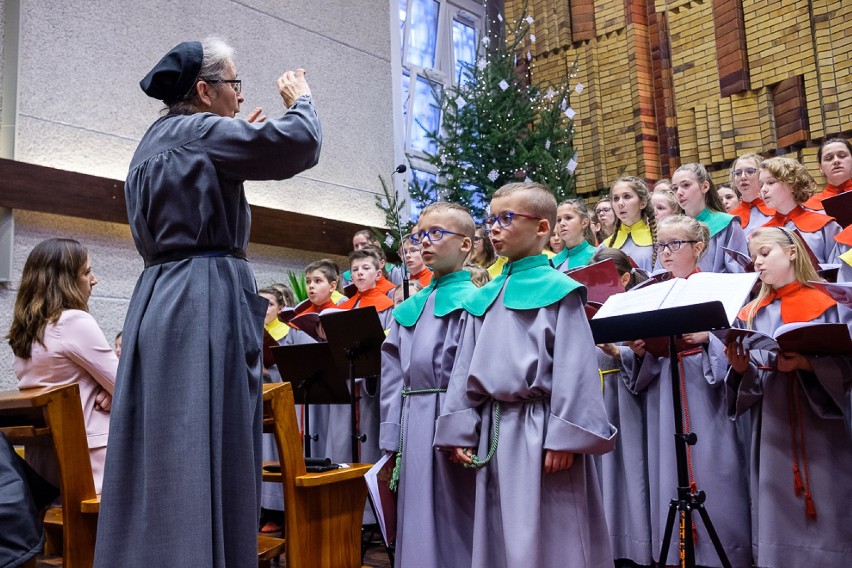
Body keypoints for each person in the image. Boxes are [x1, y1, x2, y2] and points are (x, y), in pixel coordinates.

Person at [94, 38, 321, 567]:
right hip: (205, 296)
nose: (241, 97)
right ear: (203, 89)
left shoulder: (151, 142)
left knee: (166, 444)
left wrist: (236, 142)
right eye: (234, 85)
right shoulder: (200, 131)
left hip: (158, 296)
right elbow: (300, 142)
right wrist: (301, 98)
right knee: (205, 441)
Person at [434, 182, 617, 567]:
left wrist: (565, 437)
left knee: (553, 534)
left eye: (506, 218)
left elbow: (577, 369)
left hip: (542, 431)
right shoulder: (485, 294)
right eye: (490, 220)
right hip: (493, 428)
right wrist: (459, 429)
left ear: (542, 229)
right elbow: (464, 370)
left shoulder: (559, 291)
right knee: (499, 535)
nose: (494, 229)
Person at [627, 215, 752, 567]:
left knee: (716, 468)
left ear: (698, 247)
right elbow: (644, 356)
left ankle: (723, 554)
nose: (665, 253)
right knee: (670, 470)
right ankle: (677, 554)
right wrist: (641, 351)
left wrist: (707, 337)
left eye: (674, 244)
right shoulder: (651, 291)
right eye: (660, 245)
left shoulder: (717, 286)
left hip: (706, 387)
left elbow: (738, 337)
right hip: (666, 386)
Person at [724, 227, 852, 567]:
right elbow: (749, 383)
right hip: (772, 426)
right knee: (775, 501)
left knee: (829, 498)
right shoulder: (750, 312)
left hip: (821, 423)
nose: (758, 262)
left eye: (765, 253)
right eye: (754, 257)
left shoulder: (828, 303)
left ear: (792, 252)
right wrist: (740, 369)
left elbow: (846, 363)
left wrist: (809, 363)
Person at [380, 202, 478, 568]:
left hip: (451, 418)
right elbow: (392, 377)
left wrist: (463, 428)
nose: (424, 242)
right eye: (420, 235)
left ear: (466, 245)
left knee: (456, 513)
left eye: (436, 234)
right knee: (416, 511)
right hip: (412, 419)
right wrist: (391, 439)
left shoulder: (474, 302)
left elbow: (473, 372)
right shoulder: (410, 307)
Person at [8, 238, 118, 495]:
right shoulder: (73, 322)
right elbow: (130, 385)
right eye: (87, 272)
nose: (94, 279)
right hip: (91, 467)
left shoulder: (27, 333)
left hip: (44, 472)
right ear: (65, 280)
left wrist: (112, 392)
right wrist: (114, 392)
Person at [589, 247, 652, 566]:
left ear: (625, 278)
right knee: (603, 478)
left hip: (626, 395)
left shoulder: (639, 304)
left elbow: (649, 357)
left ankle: (636, 547)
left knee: (631, 472)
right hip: (597, 397)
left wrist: (620, 353)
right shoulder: (590, 308)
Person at [758, 157, 841, 264]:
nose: (763, 190)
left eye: (770, 182)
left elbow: (838, 271)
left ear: (792, 184)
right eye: (761, 185)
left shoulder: (826, 226)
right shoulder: (762, 232)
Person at [671, 162, 748, 273]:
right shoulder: (671, 230)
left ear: (705, 186)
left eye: (686, 185)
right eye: (674, 188)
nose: (679, 192)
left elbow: (739, 272)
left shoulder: (727, 224)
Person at [602, 177, 658, 272]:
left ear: (642, 203)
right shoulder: (604, 247)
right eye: (616, 198)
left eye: (627, 197)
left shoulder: (658, 240)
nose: (620, 203)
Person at [728, 153, 774, 234]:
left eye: (750, 171)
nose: (743, 177)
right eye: (738, 173)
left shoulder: (778, 207)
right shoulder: (731, 218)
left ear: (761, 175)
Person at [803, 138, 852, 211]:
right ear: (820, 168)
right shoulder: (809, 207)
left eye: (842, 156)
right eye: (829, 158)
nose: (836, 161)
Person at [551, 198, 596, 270]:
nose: (562, 223)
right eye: (559, 220)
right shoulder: (552, 262)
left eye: (568, 218)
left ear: (584, 223)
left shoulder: (598, 256)